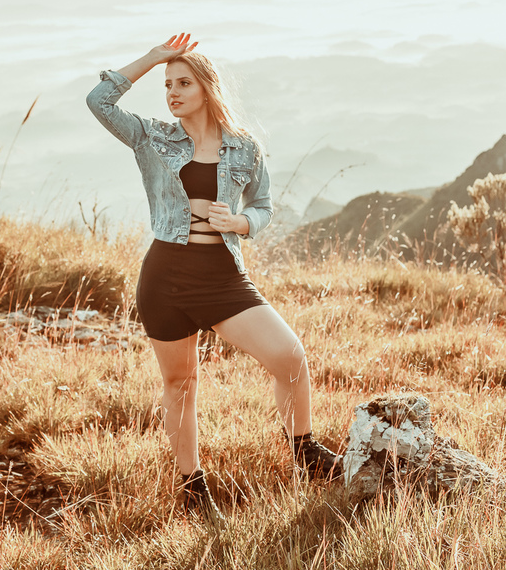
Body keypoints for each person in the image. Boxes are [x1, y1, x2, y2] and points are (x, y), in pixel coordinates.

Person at [86, 33, 341, 520]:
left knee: (289, 356)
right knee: (181, 383)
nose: (172, 92)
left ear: (207, 87)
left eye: (183, 82)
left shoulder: (245, 149)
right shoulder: (153, 136)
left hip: (224, 279)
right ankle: (193, 487)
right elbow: (99, 100)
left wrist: (242, 224)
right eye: (167, 85)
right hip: (165, 279)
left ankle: (305, 453)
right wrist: (154, 57)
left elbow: (262, 206)